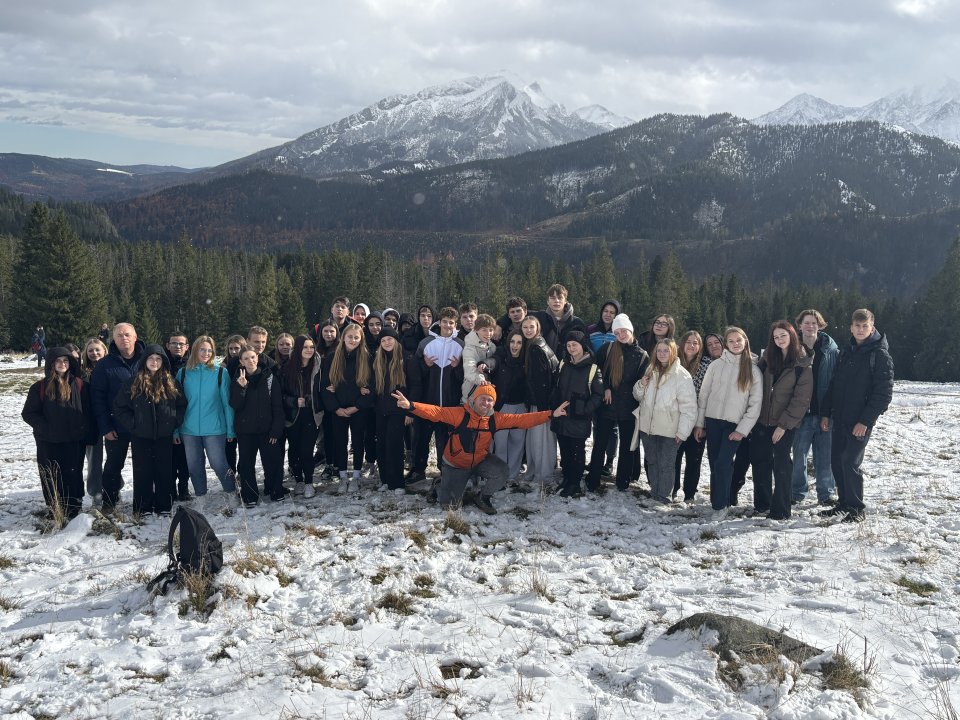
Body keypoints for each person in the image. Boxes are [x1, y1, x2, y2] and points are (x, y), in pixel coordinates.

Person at [391, 385, 569, 513]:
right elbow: (436, 412)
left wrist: (551, 414)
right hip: (456, 464)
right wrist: (411, 406)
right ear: (474, 400)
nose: (486, 403)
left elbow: (522, 420)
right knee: (450, 507)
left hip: (479, 461)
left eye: (490, 400)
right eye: (482, 399)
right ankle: (439, 484)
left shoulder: (495, 419)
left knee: (501, 471)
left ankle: (482, 497)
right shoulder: (459, 414)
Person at [819, 309, 894, 523]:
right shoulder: (848, 351)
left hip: (859, 422)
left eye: (865, 326)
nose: (861, 330)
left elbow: (883, 394)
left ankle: (856, 508)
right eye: (857, 326)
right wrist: (826, 413)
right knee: (836, 461)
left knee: (850, 462)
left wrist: (865, 421)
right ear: (851, 327)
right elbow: (835, 386)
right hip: (840, 418)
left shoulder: (879, 355)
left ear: (872, 327)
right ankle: (843, 504)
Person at [694, 326, 762, 517]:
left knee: (724, 462)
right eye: (731, 341)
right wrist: (700, 423)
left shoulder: (753, 370)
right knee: (715, 463)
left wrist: (743, 429)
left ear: (745, 341)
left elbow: (755, 404)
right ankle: (717, 500)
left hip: (734, 425)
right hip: (713, 421)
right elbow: (704, 395)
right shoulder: (715, 366)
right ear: (726, 344)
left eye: (738, 340)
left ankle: (721, 506)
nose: (735, 344)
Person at [749, 322, 813, 521]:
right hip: (762, 421)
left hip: (784, 423)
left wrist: (783, 425)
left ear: (792, 335)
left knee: (782, 464)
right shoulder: (767, 359)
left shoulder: (802, 364)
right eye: (776, 337)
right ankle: (762, 504)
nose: (779, 340)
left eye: (783, 335)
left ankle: (781, 510)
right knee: (760, 463)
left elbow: (801, 399)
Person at [22, 347, 94, 521]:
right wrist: (45, 428)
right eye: (58, 361)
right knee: (50, 475)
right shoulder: (39, 387)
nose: (62, 364)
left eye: (66, 361)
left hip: (74, 440)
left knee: (73, 474)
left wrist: (85, 431)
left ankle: (74, 508)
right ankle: (55, 509)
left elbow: (89, 412)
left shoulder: (80, 385)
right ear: (51, 364)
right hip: (48, 441)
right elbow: (29, 413)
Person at [113, 345, 186, 516]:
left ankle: (164, 505)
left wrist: (173, 422)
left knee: (164, 471)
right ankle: (143, 506)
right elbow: (120, 407)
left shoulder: (171, 382)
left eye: (158, 359)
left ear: (163, 362)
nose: (154, 362)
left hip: (164, 435)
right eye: (151, 358)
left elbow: (181, 405)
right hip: (141, 435)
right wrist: (134, 424)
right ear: (144, 361)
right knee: (142, 471)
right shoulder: (133, 382)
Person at [586, 314, 648, 492]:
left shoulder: (641, 355)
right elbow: (596, 371)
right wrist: (605, 387)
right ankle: (593, 478)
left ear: (631, 330)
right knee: (600, 444)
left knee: (627, 447)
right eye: (617, 332)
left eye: (624, 331)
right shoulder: (608, 349)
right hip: (607, 405)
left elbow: (641, 382)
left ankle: (623, 480)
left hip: (629, 407)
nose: (621, 335)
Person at [631, 339, 697, 504]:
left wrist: (682, 432)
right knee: (652, 461)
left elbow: (689, 408)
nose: (661, 354)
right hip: (648, 427)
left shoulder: (682, 375)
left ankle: (664, 497)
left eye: (665, 351)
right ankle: (655, 493)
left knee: (666, 464)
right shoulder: (650, 369)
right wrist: (640, 384)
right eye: (659, 350)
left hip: (669, 429)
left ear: (673, 352)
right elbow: (638, 396)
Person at [174, 335, 237, 503]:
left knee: (219, 465)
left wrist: (231, 429)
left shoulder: (220, 373)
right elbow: (175, 404)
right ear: (195, 350)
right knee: (194, 467)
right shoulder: (183, 373)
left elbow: (227, 404)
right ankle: (201, 498)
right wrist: (175, 430)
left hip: (215, 428)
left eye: (210, 350)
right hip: (189, 429)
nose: (206, 353)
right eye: (202, 349)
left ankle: (231, 493)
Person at [91, 322, 145, 512]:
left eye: (127, 334)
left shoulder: (147, 359)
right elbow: (97, 398)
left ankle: (142, 502)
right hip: (116, 425)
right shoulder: (105, 365)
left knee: (143, 466)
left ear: (135, 336)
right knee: (113, 465)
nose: (124, 338)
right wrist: (105, 426)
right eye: (119, 335)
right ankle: (109, 501)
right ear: (113, 339)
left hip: (143, 424)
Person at [407, 307, 463, 484]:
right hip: (427, 401)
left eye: (451, 323)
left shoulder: (460, 344)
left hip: (449, 403)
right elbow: (415, 373)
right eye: (445, 322)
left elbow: (464, 376)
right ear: (439, 322)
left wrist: (457, 368)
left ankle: (444, 470)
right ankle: (417, 470)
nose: (448, 326)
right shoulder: (426, 343)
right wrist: (425, 364)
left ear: (456, 325)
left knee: (445, 440)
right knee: (421, 438)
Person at [791, 309, 840, 505]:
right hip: (800, 414)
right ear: (799, 325)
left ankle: (826, 494)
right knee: (798, 457)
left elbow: (836, 382)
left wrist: (830, 411)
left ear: (820, 326)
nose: (810, 326)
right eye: (807, 323)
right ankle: (797, 493)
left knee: (825, 458)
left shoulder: (831, 351)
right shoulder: (793, 350)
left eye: (814, 323)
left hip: (824, 413)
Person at [550, 331, 604, 497]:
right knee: (564, 451)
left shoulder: (593, 368)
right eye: (568, 345)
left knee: (577, 452)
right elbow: (556, 387)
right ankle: (567, 478)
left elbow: (598, 394)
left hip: (579, 418)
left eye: (575, 345)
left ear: (583, 346)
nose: (572, 348)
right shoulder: (563, 364)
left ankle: (575, 482)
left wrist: (584, 409)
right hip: (562, 416)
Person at [230, 347, 286, 505]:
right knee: (247, 464)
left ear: (258, 358)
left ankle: (275, 490)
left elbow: (277, 406)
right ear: (241, 361)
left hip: (267, 430)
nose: (250, 361)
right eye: (246, 358)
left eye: (253, 357)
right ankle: (250, 495)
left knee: (273, 461)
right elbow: (235, 404)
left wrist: (276, 430)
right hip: (246, 431)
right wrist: (241, 388)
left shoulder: (269, 378)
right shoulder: (237, 379)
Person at [321, 324, 372, 491]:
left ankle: (356, 475)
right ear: (343, 337)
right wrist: (335, 408)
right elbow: (325, 387)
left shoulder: (366, 357)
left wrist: (357, 406)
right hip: (339, 409)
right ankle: (343, 475)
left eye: (356, 337)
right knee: (340, 441)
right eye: (350, 337)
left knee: (358, 441)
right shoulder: (332, 357)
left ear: (361, 339)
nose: (353, 340)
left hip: (358, 409)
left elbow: (371, 387)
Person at [371, 327, 420, 490]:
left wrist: (410, 410)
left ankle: (397, 482)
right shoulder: (378, 359)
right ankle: (385, 480)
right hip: (380, 410)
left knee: (394, 446)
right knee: (381, 446)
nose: (386, 343)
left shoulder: (407, 359)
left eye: (390, 339)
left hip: (399, 410)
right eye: (383, 340)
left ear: (396, 340)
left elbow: (415, 386)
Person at [282, 335, 323, 497]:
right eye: (305, 347)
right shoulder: (286, 369)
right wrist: (293, 402)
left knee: (307, 450)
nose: (309, 350)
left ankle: (308, 482)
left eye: (311, 347)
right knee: (294, 450)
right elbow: (280, 395)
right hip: (293, 416)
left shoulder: (318, 367)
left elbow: (324, 388)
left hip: (312, 415)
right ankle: (298, 480)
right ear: (298, 349)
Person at [520, 315, 559, 486]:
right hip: (543, 401)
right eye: (525, 327)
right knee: (543, 439)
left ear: (538, 329)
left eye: (531, 327)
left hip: (541, 403)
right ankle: (541, 470)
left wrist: (542, 409)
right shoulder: (538, 344)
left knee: (539, 439)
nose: (528, 330)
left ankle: (541, 473)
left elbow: (542, 381)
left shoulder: (536, 349)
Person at [674, 331, 711, 502]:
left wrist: (700, 424)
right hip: (675, 418)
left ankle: (689, 493)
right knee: (674, 457)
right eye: (688, 342)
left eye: (695, 343)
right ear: (682, 344)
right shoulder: (674, 362)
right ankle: (672, 490)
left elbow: (705, 397)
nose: (691, 345)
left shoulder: (706, 365)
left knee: (694, 459)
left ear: (700, 346)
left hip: (697, 418)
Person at [490, 329, 528, 480]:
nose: (515, 345)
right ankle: (500, 475)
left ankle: (512, 475)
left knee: (517, 443)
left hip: (521, 406)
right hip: (502, 406)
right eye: (512, 341)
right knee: (500, 444)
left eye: (519, 342)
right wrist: (484, 364)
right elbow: (492, 361)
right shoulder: (501, 356)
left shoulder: (527, 360)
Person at [165, 330, 193, 501]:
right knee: (169, 457)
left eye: (181, 344)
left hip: (187, 416)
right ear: (168, 346)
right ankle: (169, 489)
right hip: (166, 416)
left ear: (187, 347)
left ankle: (183, 488)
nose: (177, 346)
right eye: (174, 343)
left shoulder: (191, 366)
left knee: (184, 457)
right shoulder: (161, 364)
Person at [81, 337, 108, 505]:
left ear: (104, 350)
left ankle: (114, 486)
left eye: (97, 349)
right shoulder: (82, 372)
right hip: (90, 420)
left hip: (110, 418)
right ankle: (96, 492)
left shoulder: (111, 368)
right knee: (94, 459)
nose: (94, 353)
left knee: (114, 457)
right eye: (90, 350)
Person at [533, 284, 586, 357]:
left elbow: (586, 348)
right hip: (544, 364)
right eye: (553, 298)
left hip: (568, 366)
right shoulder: (539, 319)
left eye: (560, 298)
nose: (556, 301)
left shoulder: (577, 323)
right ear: (548, 301)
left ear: (565, 301)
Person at [461, 313, 498, 402]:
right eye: (484, 330)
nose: (488, 333)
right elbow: (469, 368)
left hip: (488, 394)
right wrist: (481, 380)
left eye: (491, 330)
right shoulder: (470, 348)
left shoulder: (492, 347)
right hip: (471, 394)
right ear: (476, 330)